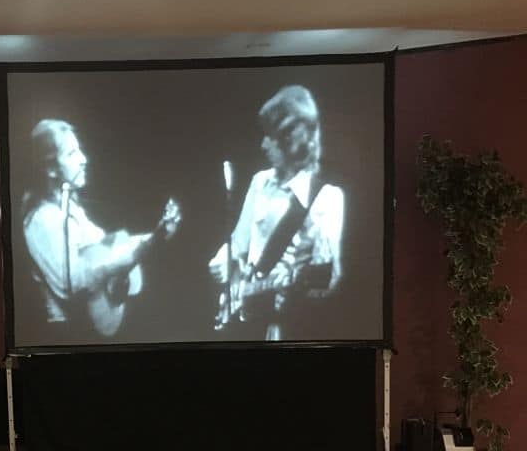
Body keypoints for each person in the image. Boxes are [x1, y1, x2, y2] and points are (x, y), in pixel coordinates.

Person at [21, 119, 181, 338]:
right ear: (50, 168)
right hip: (64, 336)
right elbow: (72, 285)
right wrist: (136, 252)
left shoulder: (72, 209)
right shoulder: (42, 220)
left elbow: (105, 248)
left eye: (80, 152)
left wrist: (156, 235)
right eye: (72, 154)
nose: (83, 160)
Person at [208, 85, 344, 341]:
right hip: (248, 320)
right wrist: (223, 265)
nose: (263, 144)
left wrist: (294, 289)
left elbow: (328, 279)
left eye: (271, 136)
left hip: (293, 326)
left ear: (292, 139)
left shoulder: (327, 197)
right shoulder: (260, 183)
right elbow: (237, 245)